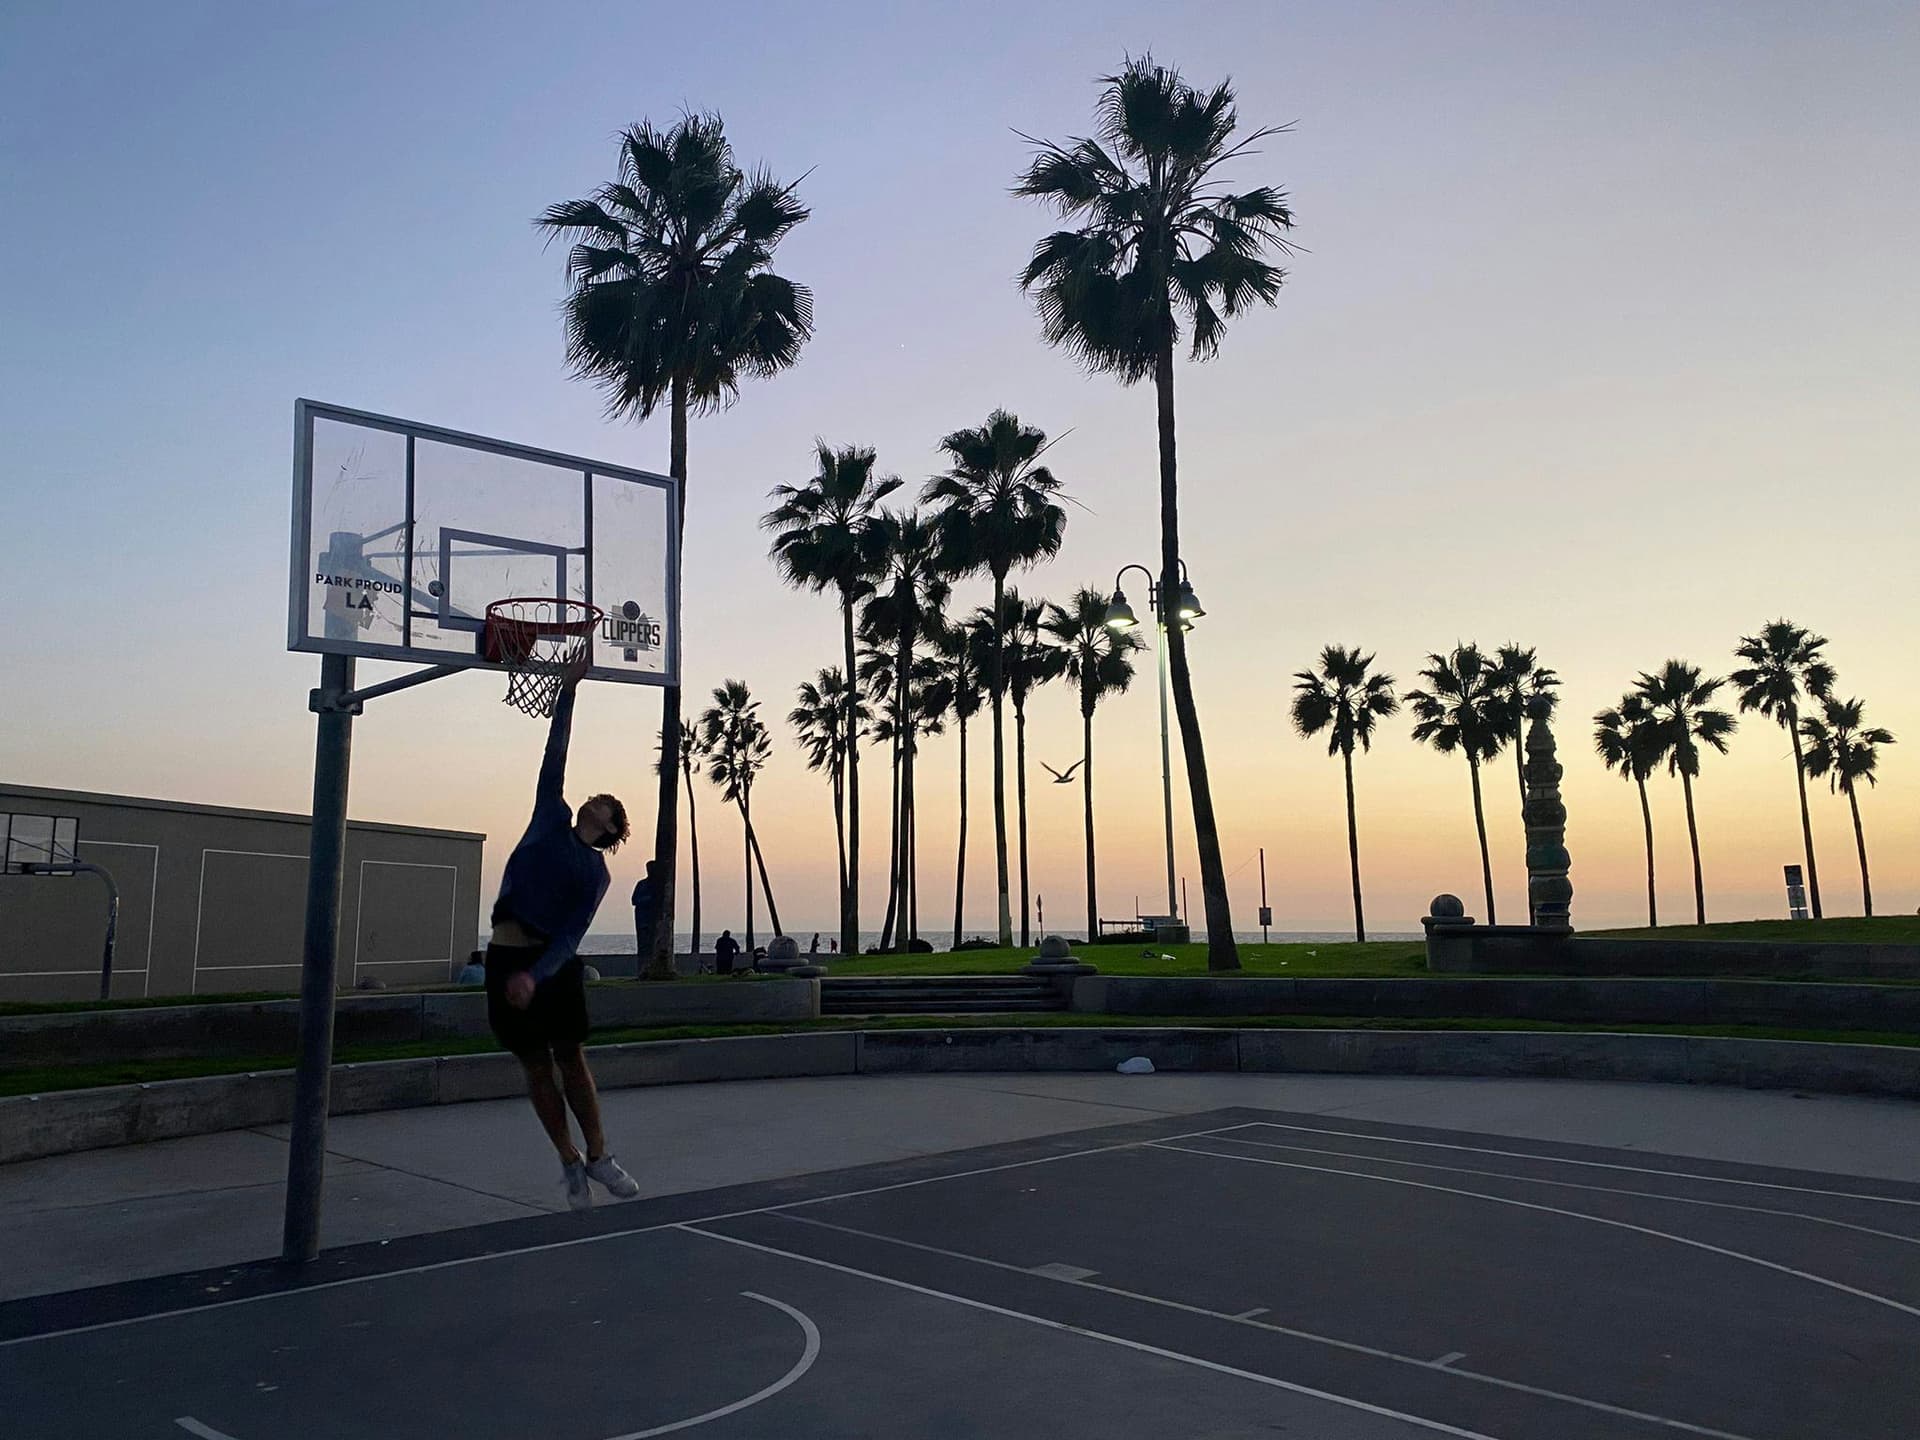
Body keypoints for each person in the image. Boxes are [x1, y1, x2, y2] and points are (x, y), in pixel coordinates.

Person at [485, 658, 641, 1211]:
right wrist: (568, 693)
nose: (594, 798)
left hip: (547, 971)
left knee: (570, 1058)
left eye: (605, 803)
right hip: (504, 961)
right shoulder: (549, 814)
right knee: (533, 1067)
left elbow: (570, 937)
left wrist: (538, 975)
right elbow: (555, 755)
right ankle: (569, 1159)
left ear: (609, 826)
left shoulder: (594, 872)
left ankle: (598, 1155)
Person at [631, 859, 660, 969]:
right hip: (643, 920)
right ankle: (643, 968)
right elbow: (634, 900)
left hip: (655, 921)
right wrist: (650, 899)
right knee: (643, 945)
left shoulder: (660, 885)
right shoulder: (642, 884)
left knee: (654, 944)